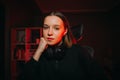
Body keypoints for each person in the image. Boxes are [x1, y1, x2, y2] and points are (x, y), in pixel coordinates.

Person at [22, 11, 108, 80]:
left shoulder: (79, 52)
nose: (49, 33)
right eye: (46, 27)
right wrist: (38, 51)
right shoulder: (41, 55)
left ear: (65, 31)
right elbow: (24, 77)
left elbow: (100, 76)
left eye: (56, 28)